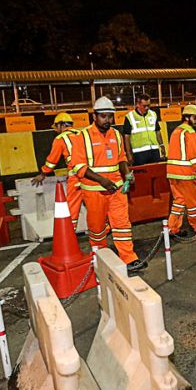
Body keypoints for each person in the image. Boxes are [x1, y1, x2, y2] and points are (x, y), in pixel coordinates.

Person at [70, 96, 146, 275]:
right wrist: (101, 180)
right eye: (103, 116)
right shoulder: (82, 137)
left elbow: (121, 158)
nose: (107, 120)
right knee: (97, 228)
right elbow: (78, 166)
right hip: (94, 192)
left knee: (122, 224)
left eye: (110, 116)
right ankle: (100, 257)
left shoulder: (116, 135)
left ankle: (129, 258)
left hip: (117, 190)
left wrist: (126, 173)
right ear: (94, 116)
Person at [31, 113, 82, 230]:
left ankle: (70, 231)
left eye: (56, 126)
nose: (55, 130)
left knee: (72, 207)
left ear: (62, 125)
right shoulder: (82, 134)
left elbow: (52, 161)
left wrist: (43, 173)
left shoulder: (60, 139)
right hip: (91, 175)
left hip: (76, 177)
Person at [166, 105, 196, 238]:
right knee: (192, 202)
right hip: (185, 173)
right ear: (187, 118)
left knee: (179, 200)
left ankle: (172, 228)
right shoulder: (190, 132)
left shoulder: (176, 131)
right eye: (195, 118)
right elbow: (194, 156)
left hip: (172, 172)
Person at [121, 93, 162, 166]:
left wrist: (162, 145)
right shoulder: (130, 117)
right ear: (138, 104)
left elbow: (157, 131)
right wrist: (129, 154)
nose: (147, 108)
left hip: (154, 152)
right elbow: (126, 137)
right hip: (139, 154)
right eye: (144, 106)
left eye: (148, 105)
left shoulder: (153, 114)